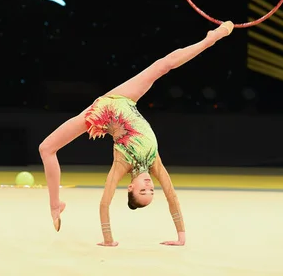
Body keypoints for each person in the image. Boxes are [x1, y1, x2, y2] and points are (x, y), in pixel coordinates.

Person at [39, 21, 234, 247]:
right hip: (125, 99)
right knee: (164, 65)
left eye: (143, 189)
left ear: (130, 187)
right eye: (151, 190)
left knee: (46, 148)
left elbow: (105, 203)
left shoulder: (122, 163)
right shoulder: (155, 164)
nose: (149, 185)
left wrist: (108, 240)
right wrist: (181, 237)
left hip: (100, 113)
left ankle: (55, 204)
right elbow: (172, 197)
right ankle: (211, 38)